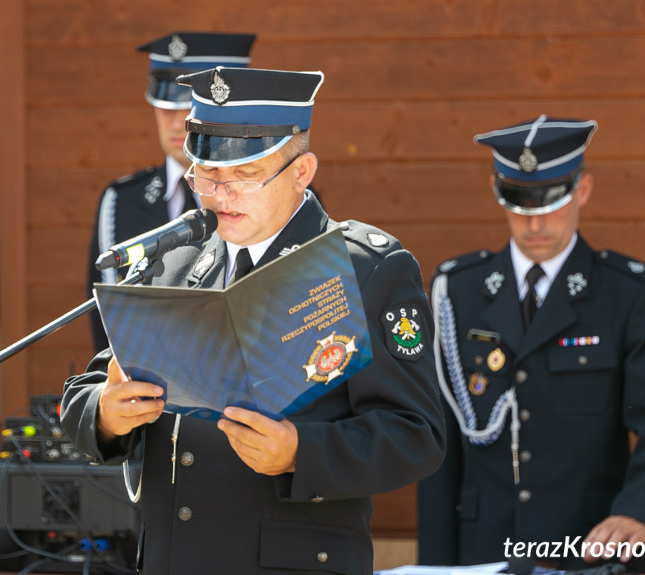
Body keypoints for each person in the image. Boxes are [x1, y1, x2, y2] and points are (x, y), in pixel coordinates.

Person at [62, 66, 446, 575]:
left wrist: (300, 452)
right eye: (208, 175)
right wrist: (108, 415)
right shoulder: (175, 263)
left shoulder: (362, 269)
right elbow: (84, 394)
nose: (221, 195)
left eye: (244, 175)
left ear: (302, 172)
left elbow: (417, 435)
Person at [417, 115, 645, 571]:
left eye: (550, 201)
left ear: (582, 190)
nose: (534, 220)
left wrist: (639, 510)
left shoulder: (626, 291)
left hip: (590, 551)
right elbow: (439, 443)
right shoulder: (457, 290)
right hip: (485, 554)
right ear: (497, 191)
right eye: (520, 201)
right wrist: (438, 566)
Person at [86, 32, 257, 353]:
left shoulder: (275, 190)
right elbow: (110, 330)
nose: (179, 120)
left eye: (192, 104)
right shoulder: (121, 201)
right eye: (167, 102)